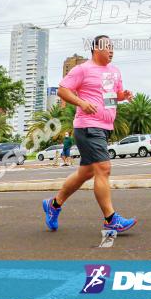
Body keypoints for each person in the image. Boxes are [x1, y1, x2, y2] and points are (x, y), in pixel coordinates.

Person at [42, 35, 137, 232]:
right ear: (95, 49)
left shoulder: (115, 71)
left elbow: (111, 97)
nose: (111, 50)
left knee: (85, 173)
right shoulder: (82, 69)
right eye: (107, 47)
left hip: (105, 127)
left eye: (113, 47)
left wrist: (123, 96)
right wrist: (81, 102)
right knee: (103, 168)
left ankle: (54, 205)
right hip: (87, 126)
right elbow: (62, 90)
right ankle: (111, 219)